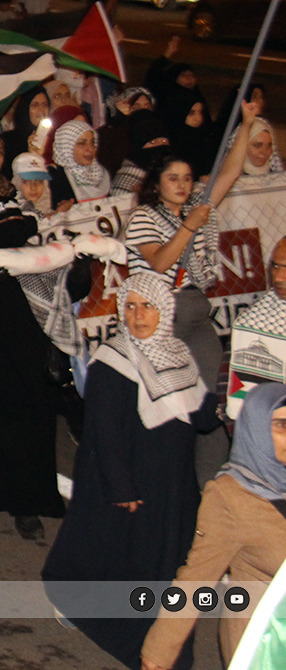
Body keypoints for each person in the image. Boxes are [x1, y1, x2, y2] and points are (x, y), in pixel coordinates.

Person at [43, 273, 218, 670]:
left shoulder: (178, 354)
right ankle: (127, 635)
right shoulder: (114, 361)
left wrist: (225, 405)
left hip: (172, 485)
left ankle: (162, 638)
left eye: (149, 306)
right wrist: (121, 486)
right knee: (120, 558)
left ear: (165, 310)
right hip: (130, 484)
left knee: (165, 564)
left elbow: (199, 413)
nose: (139, 316)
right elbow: (103, 431)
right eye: (132, 306)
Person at [125, 104, 255, 481]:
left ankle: (211, 486)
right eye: (173, 178)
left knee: (213, 405)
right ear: (157, 183)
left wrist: (245, 126)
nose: (182, 185)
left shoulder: (195, 211)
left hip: (196, 313)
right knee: (166, 406)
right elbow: (161, 263)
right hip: (160, 317)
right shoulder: (144, 218)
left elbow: (229, 171)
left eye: (186, 178)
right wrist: (189, 228)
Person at [0, 197, 96, 539]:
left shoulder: (39, 257)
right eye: (6, 222)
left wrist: (80, 268)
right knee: (0, 432)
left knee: (34, 437)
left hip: (33, 363)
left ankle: (30, 502)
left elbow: (69, 292)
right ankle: (5, 493)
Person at [141, 370, 286, 668]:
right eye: (282, 425)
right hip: (268, 645)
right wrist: (156, 658)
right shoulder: (230, 497)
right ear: (256, 428)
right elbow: (193, 583)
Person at [48, 120, 110, 207]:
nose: (90, 149)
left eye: (92, 142)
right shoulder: (53, 177)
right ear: (66, 148)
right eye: (81, 143)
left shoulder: (101, 173)